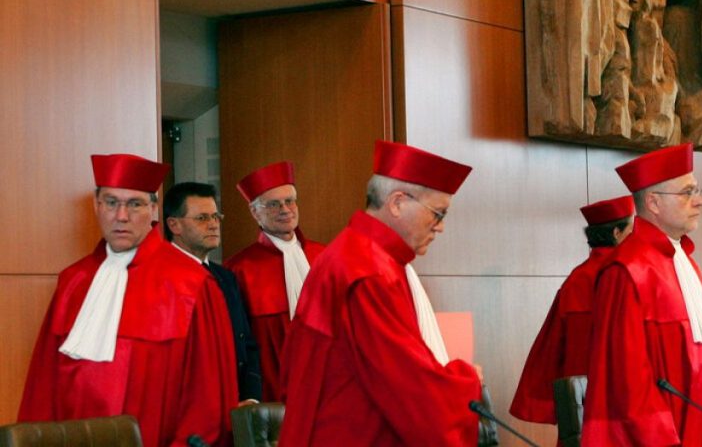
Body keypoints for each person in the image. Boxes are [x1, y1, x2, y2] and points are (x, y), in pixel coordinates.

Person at [19, 154, 237, 447]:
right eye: (111, 202)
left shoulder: (193, 284)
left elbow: (207, 399)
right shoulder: (73, 280)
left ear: (153, 208)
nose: (121, 216)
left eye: (134, 204)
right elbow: (42, 387)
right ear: (96, 206)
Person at [278, 141, 482, 446]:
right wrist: (466, 380)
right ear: (397, 202)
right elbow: (407, 385)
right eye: (438, 214)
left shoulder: (353, 253)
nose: (440, 227)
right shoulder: (370, 271)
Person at [581, 144, 702, 447]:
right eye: (687, 193)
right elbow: (627, 378)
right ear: (653, 202)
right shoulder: (627, 270)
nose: (700, 200)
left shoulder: (687, 263)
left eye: (697, 190)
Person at [510, 195, 635, 425]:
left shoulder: (576, 278)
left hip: (580, 402)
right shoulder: (624, 274)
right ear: (617, 233)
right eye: (631, 231)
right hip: (618, 400)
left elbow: (553, 344)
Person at [226, 161, 325, 401]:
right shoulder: (238, 269)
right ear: (254, 212)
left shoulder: (325, 256)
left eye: (290, 201)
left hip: (327, 385)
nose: (285, 209)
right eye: (273, 204)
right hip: (273, 393)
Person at [164, 182, 262, 405]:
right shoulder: (162, 277)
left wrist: (251, 397)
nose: (213, 225)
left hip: (237, 406)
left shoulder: (225, 277)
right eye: (202, 218)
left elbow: (246, 343)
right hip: (191, 407)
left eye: (216, 217)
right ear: (174, 225)